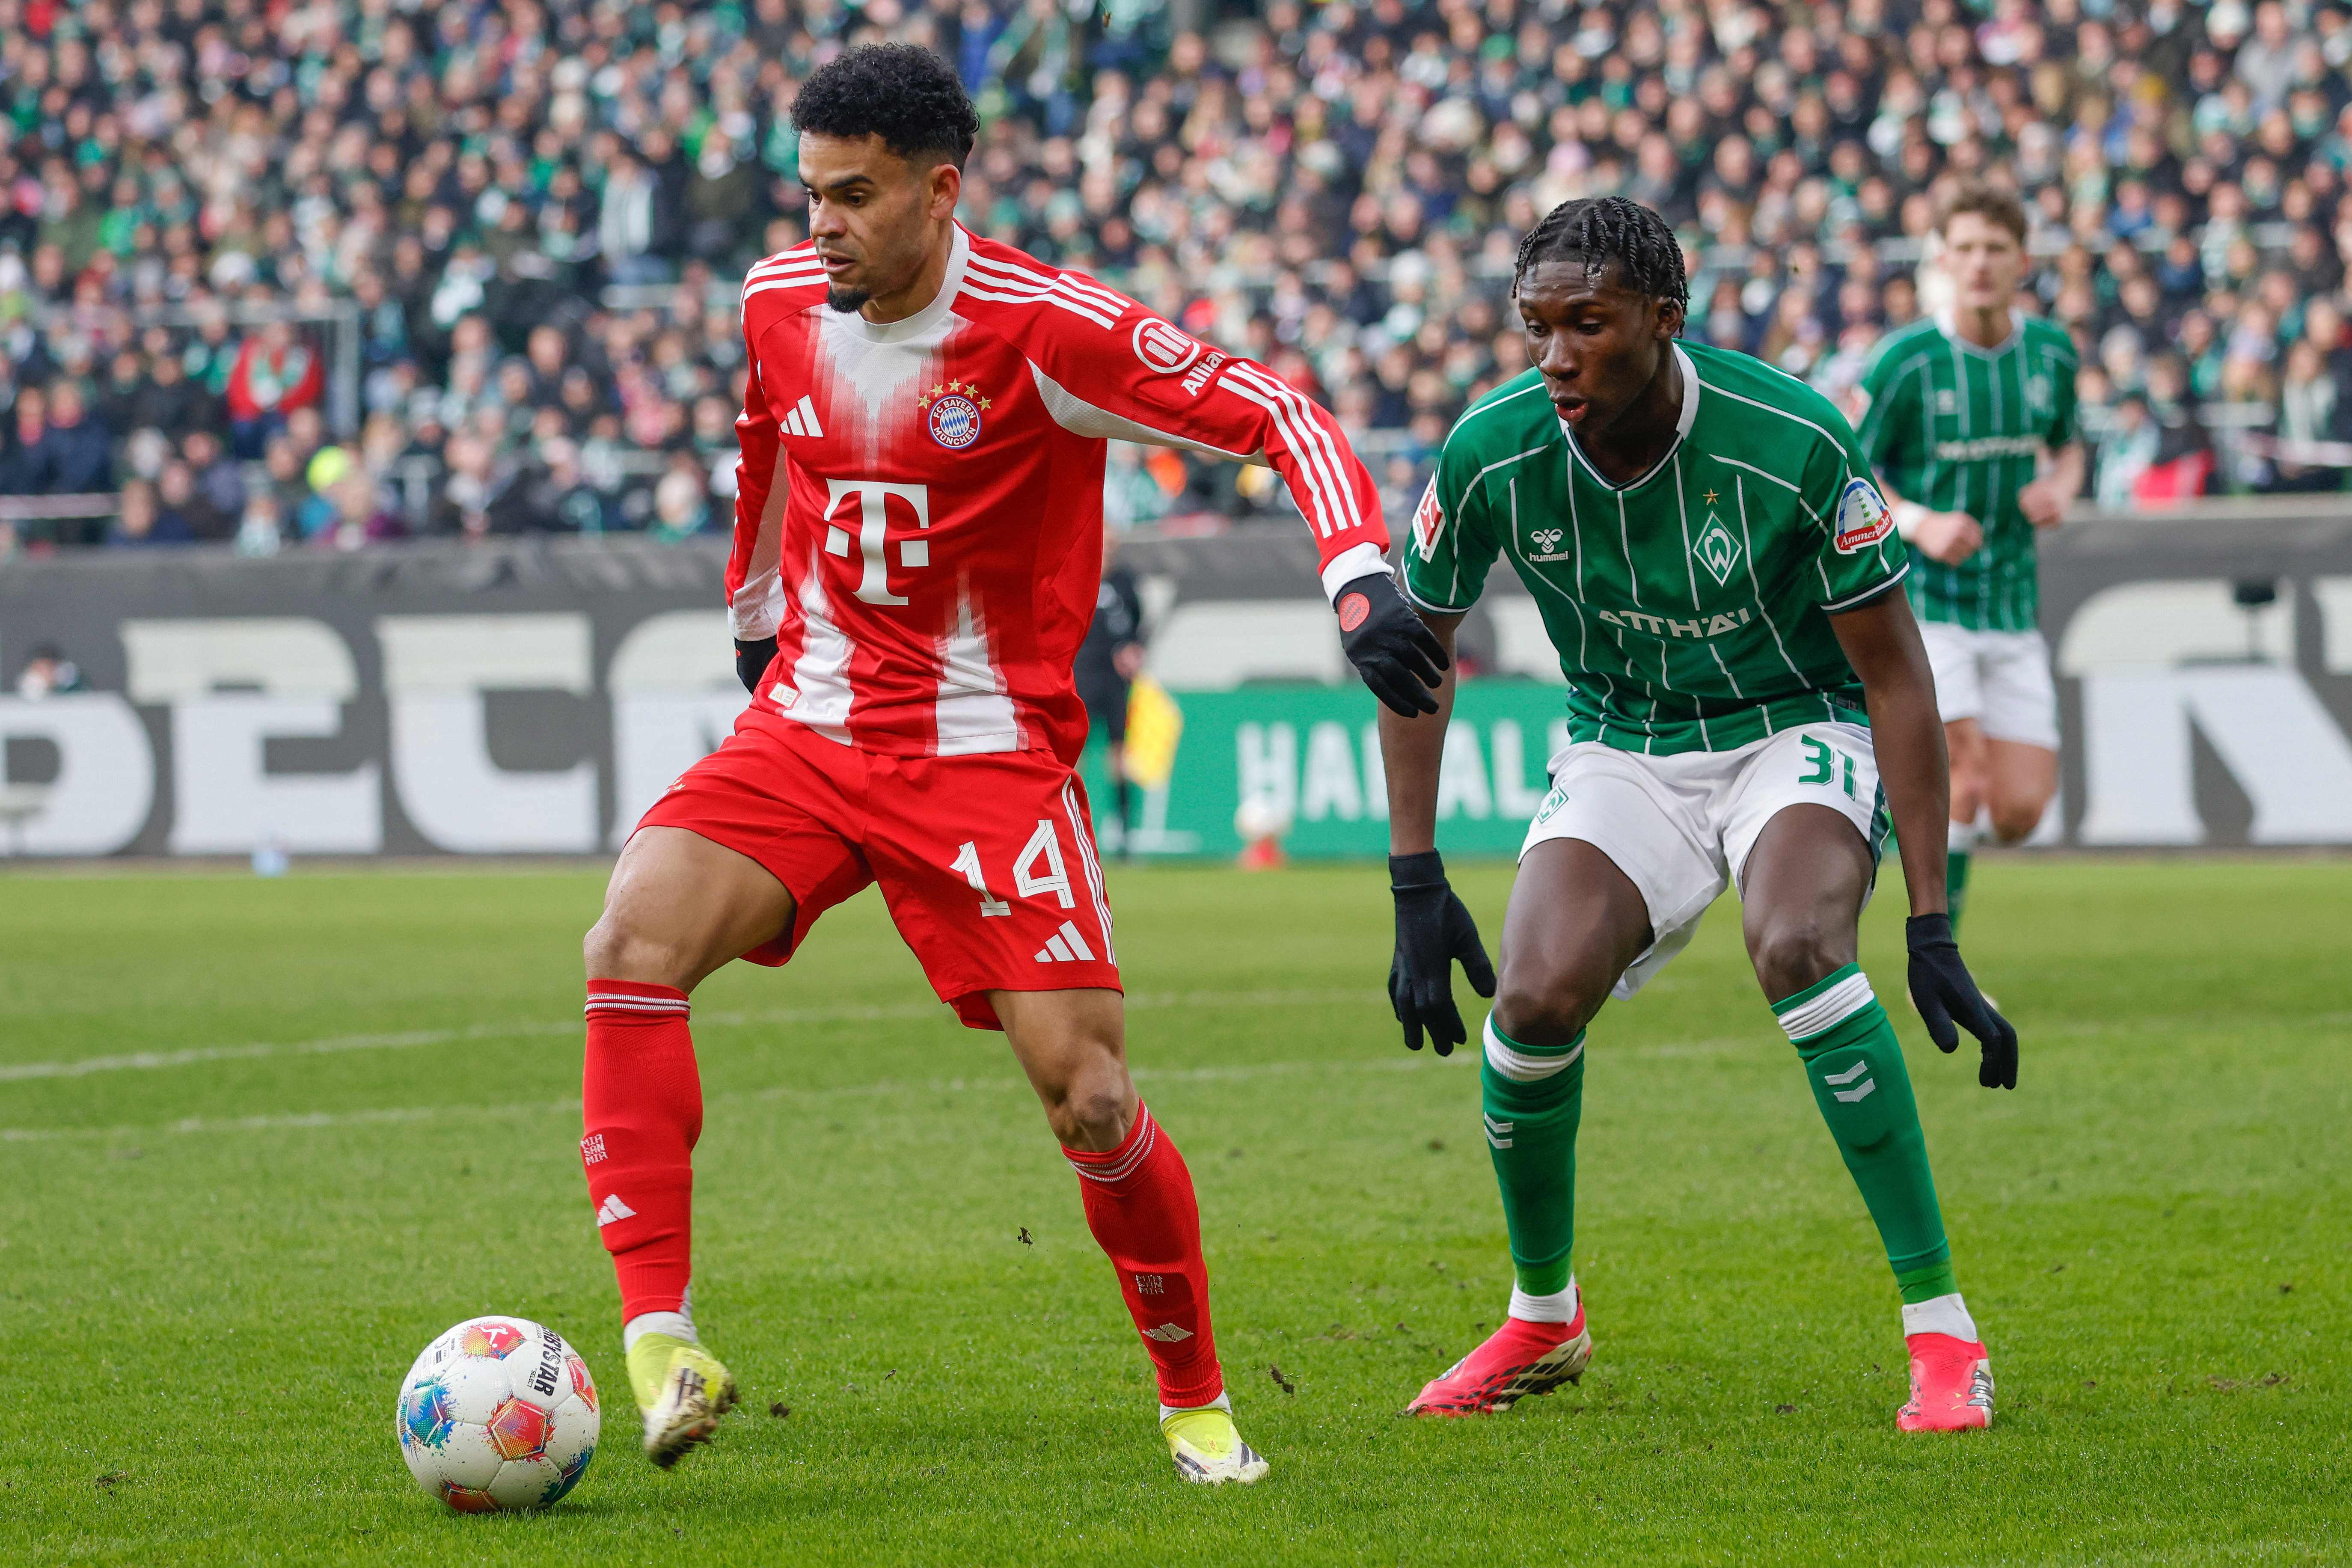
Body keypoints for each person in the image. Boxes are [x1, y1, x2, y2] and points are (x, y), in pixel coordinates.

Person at [576, 43, 1439, 1482]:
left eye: (853, 198)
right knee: (628, 939)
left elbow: (1278, 414)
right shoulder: (780, 298)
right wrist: (752, 613)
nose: (821, 227)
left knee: (1088, 1092)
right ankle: (661, 1338)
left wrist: (1357, 572)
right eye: (810, 197)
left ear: (939, 191)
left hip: (983, 761)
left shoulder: (1047, 332)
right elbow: (762, 444)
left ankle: (1194, 1396)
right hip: (811, 723)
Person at [1379, 196, 2016, 1434]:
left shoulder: (1791, 438)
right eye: (1537, 328)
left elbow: (1896, 675)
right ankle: (1543, 1315)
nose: (1557, 356)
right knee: (1532, 998)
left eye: (1590, 325)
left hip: (1798, 723)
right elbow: (1422, 652)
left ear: (1665, 320)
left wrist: (1932, 919)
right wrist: (1415, 878)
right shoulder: (1493, 450)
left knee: (1796, 947)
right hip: (1629, 739)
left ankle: (1943, 1332)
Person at [1855, 186, 2083, 932]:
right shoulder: (1905, 360)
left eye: (1995, 249)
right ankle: (1939, 954)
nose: (1980, 264)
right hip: (1927, 605)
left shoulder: (2051, 352)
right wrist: (1918, 523)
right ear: (1944, 260)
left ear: (2022, 260)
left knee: (2017, 809)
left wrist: (2059, 485)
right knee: (1965, 780)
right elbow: (1853, 468)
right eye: (1966, 249)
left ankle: (1888, 797)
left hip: (2012, 605)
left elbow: (2072, 445)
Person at [1075, 525, 1147, 855]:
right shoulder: (1075, 577)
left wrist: (1135, 649)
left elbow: (1138, 625)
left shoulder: (1125, 583)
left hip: (1116, 681)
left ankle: (1123, 833)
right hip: (1082, 676)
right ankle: (1073, 829)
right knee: (1077, 756)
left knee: (1118, 757)